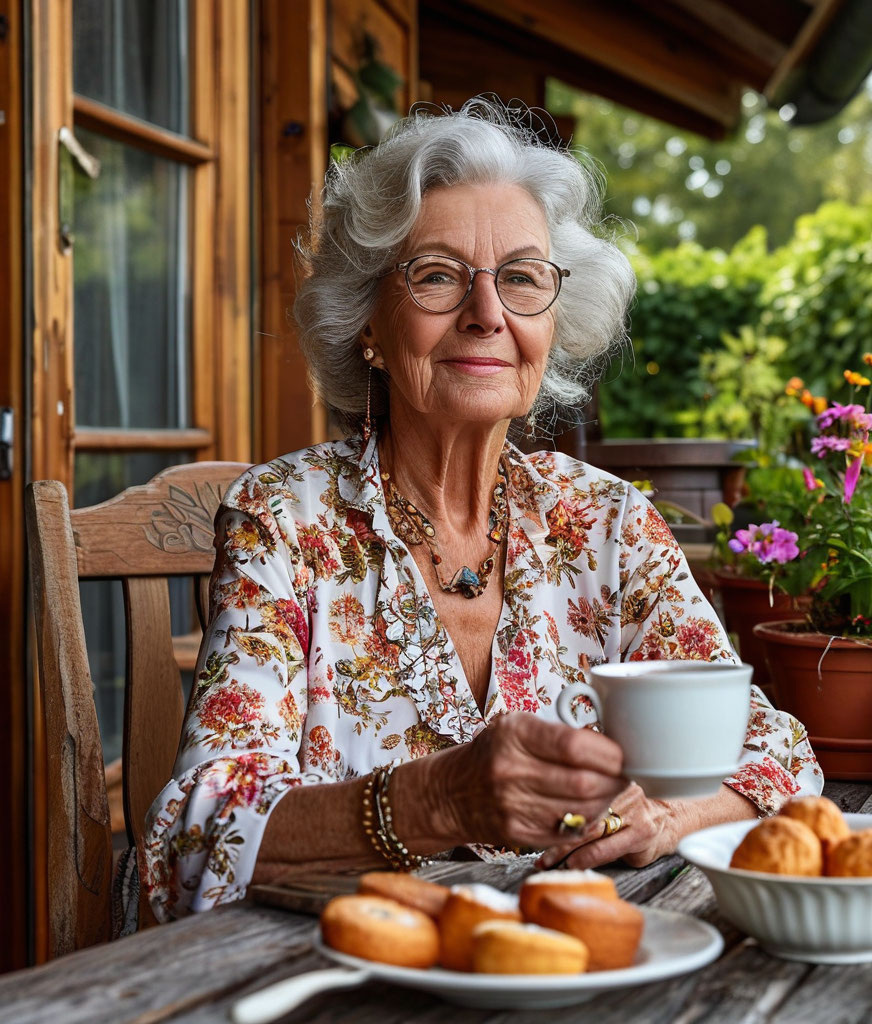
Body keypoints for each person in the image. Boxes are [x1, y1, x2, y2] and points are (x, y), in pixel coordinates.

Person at [142, 99, 822, 921]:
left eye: (523, 279)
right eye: (436, 275)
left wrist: (669, 814)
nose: (488, 314)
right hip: (341, 970)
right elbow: (196, 829)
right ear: (368, 323)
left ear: (553, 322)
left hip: (573, 967)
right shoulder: (286, 520)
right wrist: (440, 802)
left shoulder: (606, 524)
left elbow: (775, 748)